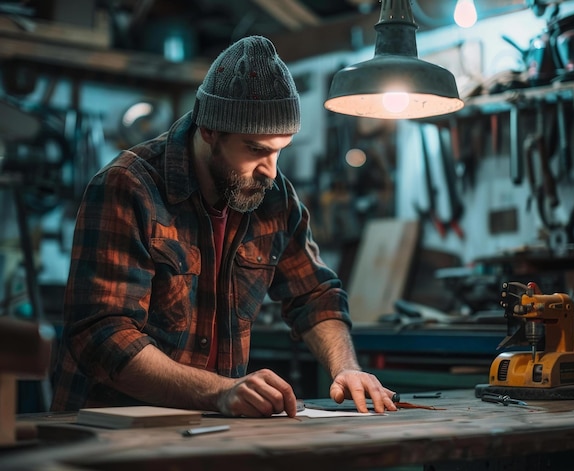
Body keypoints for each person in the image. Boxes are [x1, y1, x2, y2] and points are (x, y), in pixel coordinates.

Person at [50, 35, 397, 417]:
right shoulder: (128, 186)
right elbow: (102, 337)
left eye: (280, 149)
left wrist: (346, 367)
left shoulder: (274, 196)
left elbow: (315, 295)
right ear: (210, 130)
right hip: (109, 432)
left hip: (211, 429)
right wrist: (220, 392)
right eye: (256, 149)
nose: (271, 170)